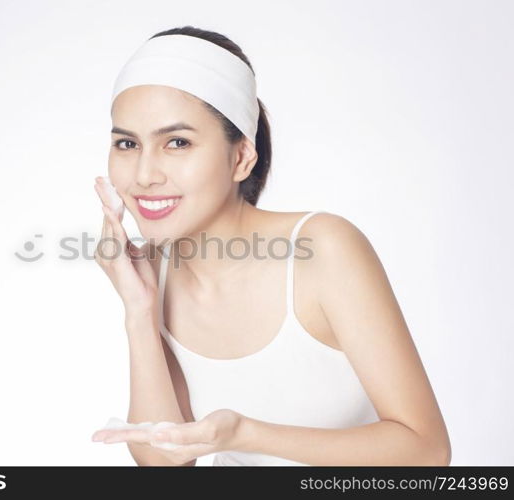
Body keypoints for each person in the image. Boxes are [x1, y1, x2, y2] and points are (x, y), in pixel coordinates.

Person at [91, 25, 451, 466]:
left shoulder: (323, 250)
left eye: (177, 142)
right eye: (127, 143)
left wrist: (246, 434)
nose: (144, 174)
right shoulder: (151, 273)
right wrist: (139, 311)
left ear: (241, 156)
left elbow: (426, 450)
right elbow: (167, 466)